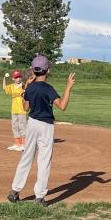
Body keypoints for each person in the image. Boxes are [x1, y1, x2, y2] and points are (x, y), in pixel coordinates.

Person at [6, 55, 75, 206]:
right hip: (46, 126)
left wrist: (26, 89)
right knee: (43, 160)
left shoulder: (30, 87)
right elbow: (62, 106)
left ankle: (15, 191)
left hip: (31, 123)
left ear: (33, 71)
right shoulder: (48, 89)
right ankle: (39, 197)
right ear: (47, 70)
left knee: (26, 157)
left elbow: (25, 108)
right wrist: (68, 87)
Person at [2, 68, 28, 151]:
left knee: (22, 126)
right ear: (13, 78)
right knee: (15, 127)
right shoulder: (12, 86)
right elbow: (4, 88)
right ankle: (17, 144)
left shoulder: (24, 86)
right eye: (16, 77)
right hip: (14, 110)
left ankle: (24, 144)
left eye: (19, 77)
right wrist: (4, 78)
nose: (18, 79)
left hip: (22, 110)